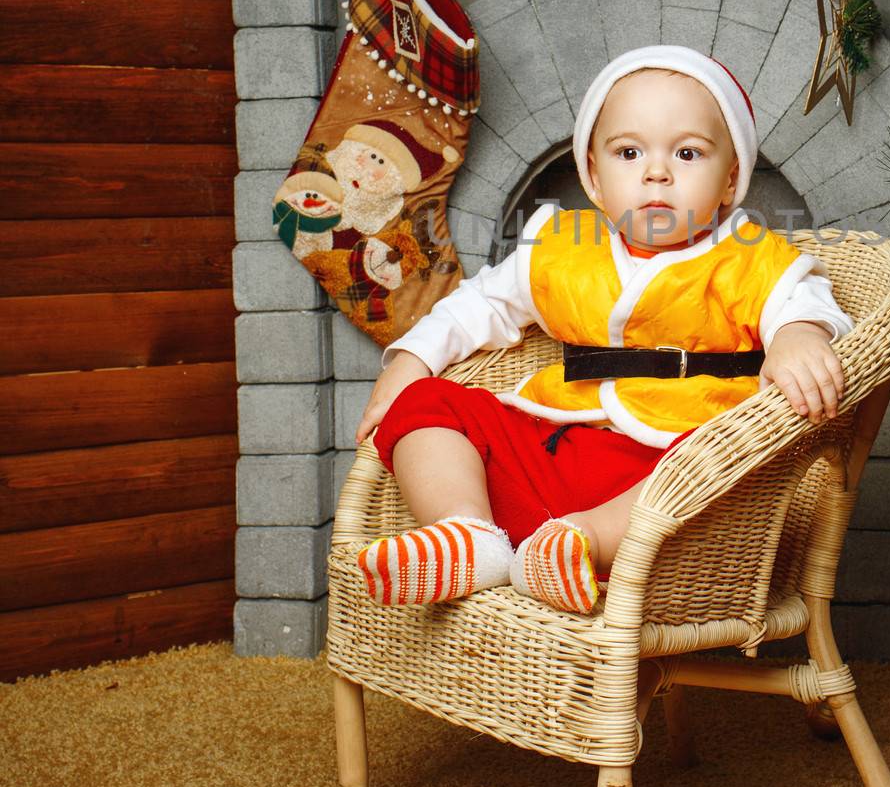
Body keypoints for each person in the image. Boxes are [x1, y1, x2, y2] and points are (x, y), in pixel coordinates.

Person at [354, 44, 854, 615]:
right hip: (549, 449)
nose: (656, 172)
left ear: (730, 177)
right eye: (628, 152)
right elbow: (477, 306)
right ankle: (470, 536)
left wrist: (798, 337)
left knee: (713, 462)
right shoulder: (562, 247)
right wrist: (411, 361)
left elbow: (803, 301)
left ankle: (578, 546)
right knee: (426, 404)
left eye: (688, 153)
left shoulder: (750, 256)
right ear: (593, 175)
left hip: (661, 478)